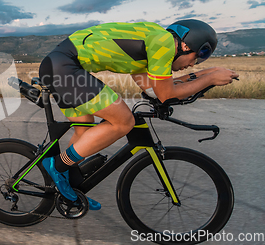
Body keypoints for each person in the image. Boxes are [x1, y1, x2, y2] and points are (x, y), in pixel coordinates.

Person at [38, 19, 239, 210]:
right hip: (65, 68)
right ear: (187, 46)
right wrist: (210, 78)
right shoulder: (164, 43)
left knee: (85, 135)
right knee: (123, 121)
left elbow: (156, 91)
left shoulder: (154, 42)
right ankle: (56, 165)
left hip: (58, 65)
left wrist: (207, 74)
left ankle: (67, 187)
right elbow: (166, 94)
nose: (194, 64)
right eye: (199, 56)